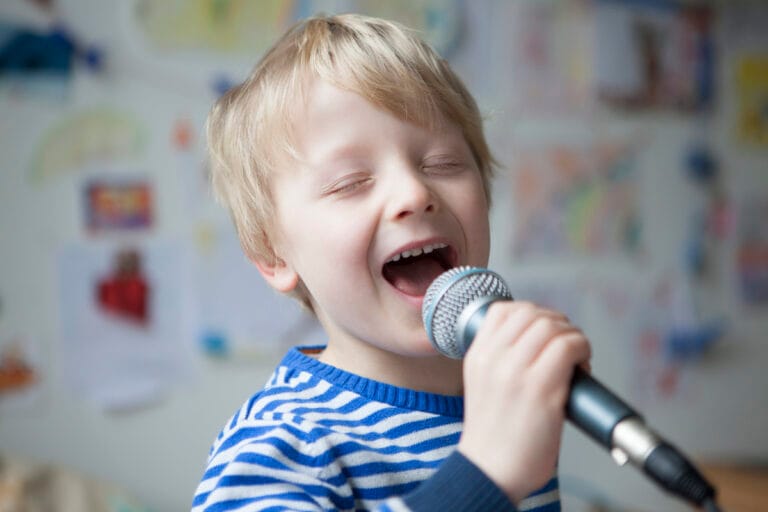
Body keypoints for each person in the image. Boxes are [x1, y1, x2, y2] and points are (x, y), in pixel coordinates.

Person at [192, 13, 590, 512]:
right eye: (350, 182)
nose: (415, 193)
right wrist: (484, 476)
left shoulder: (503, 397)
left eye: (442, 163)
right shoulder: (283, 442)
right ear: (273, 256)